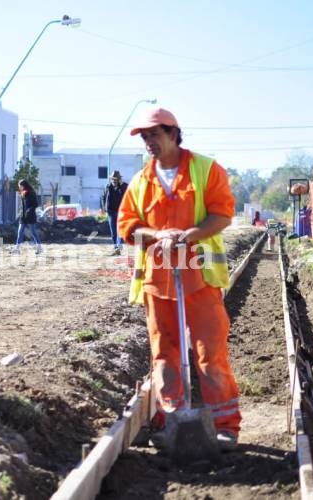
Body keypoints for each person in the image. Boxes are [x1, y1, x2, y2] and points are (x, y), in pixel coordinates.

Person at [117, 107, 242, 451]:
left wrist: (188, 235)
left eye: (154, 135)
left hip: (199, 278)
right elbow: (126, 226)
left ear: (173, 133)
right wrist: (157, 236)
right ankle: (172, 420)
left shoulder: (205, 169)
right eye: (144, 137)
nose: (148, 143)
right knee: (164, 355)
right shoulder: (142, 181)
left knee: (210, 354)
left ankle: (225, 426)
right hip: (158, 282)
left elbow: (222, 214)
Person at [11, 179, 42, 254]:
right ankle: (17, 249)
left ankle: (39, 248)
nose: (19, 188)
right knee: (20, 232)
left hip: (30, 215)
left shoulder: (31, 193)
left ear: (24, 185)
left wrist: (29, 211)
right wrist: (21, 212)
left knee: (33, 232)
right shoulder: (23, 193)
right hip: (23, 216)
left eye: (20, 186)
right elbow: (23, 205)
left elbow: (35, 204)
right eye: (19, 186)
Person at [101, 170, 128, 255]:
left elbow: (128, 198)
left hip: (121, 212)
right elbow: (103, 198)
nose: (114, 181)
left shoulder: (124, 187)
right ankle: (116, 247)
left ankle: (118, 247)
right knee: (113, 232)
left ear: (119, 179)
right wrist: (104, 208)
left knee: (120, 230)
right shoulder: (108, 187)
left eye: (116, 179)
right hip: (111, 212)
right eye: (113, 179)